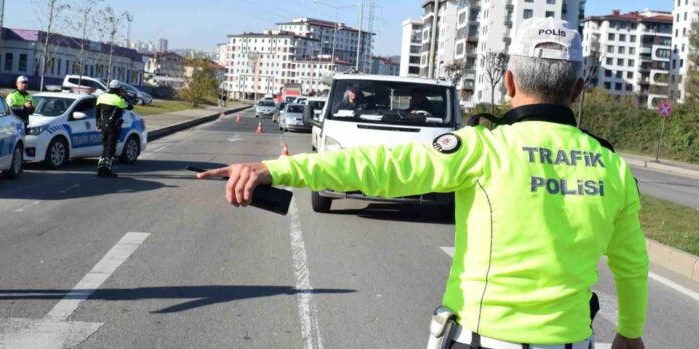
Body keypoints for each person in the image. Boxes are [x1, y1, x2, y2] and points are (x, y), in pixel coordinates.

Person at [197, 18, 648, 349]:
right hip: (573, 342)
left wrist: (277, 170)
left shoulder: (483, 149)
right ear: (579, 89)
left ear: (508, 82)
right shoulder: (612, 167)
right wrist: (629, 332)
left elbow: (379, 167)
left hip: (482, 340)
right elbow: (631, 266)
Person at [95, 80, 133, 178]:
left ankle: (100, 168)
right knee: (111, 148)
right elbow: (130, 106)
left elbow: (97, 112)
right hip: (114, 126)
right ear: (118, 89)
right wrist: (125, 96)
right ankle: (107, 170)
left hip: (103, 125)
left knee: (105, 146)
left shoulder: (101, 97)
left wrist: (98, 124)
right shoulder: (118, 100)